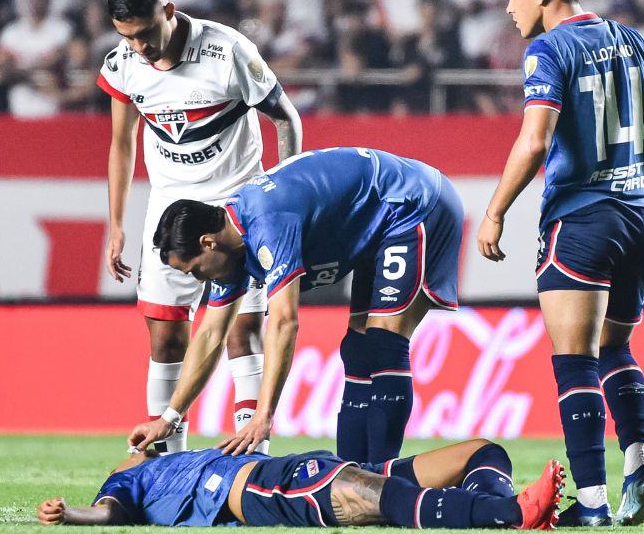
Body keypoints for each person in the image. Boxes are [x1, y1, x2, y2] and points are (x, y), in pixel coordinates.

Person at [476, 0, 644, 527]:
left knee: (574, 360)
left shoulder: (548, 51)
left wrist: (495, 209)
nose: (508, 7)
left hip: (582, 219)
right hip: (639, 213)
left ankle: (593, 505)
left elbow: (535, 141)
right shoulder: (634, 40)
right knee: (614, 348)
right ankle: (640, 464)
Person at [128, 147, 463, 465]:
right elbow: (211, 334)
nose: (200, 280)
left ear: (207, 242)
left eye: (195, 270)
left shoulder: (267, 222)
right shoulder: (233, 245)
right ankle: (356, 474)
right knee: (358, 349)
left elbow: (284, 321)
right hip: (375, 224)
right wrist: (169, 417)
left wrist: (263, 416)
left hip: (413, 203)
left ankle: (383, 477)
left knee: (383, 343)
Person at [98, 0, 303, 455]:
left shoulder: (227, 51)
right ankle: (169, 464)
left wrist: (281, 198)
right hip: (171, 213)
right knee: (165, 337)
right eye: (128, 37)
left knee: (241, 330)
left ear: (168, 12)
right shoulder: (122, 64)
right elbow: (122, 143)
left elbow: (285, 118)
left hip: (237, 205)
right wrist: (117, 224)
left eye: (147, 33)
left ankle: (252, 457)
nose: (141, 47)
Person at [38, 438, 565, 529]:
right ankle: (508, 513)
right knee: (367, 496)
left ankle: (485, 504)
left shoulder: (165, 458)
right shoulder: (128, 486)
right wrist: (72, 515)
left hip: (298, 465)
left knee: (481, 453)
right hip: (256, 491)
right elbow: (107, 514)